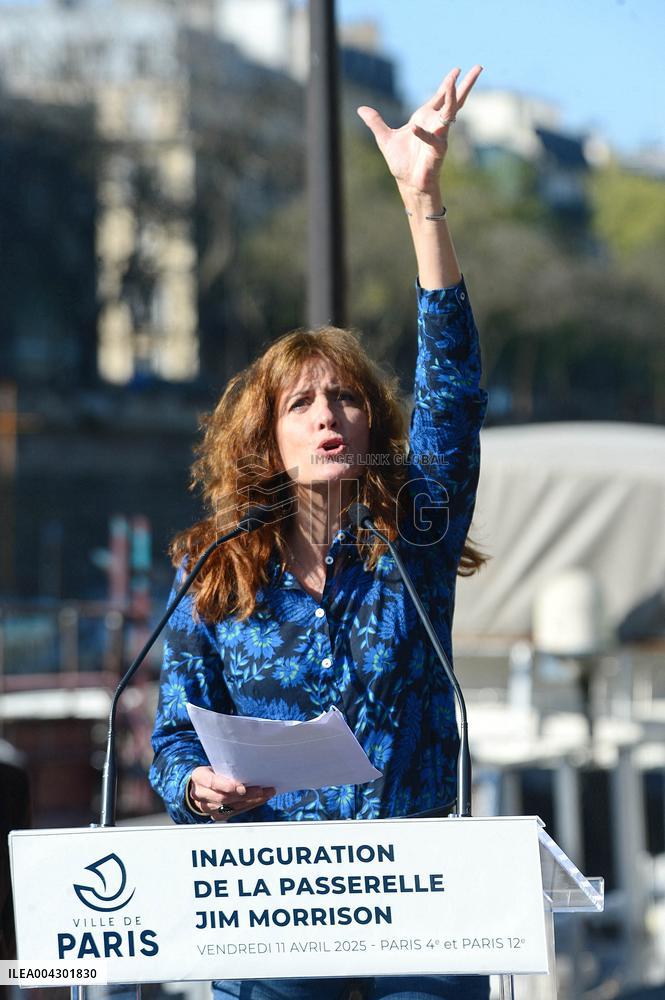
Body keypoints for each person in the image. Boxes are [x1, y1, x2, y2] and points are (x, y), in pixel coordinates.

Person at [150, 66, 489, 1000]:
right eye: (301, 404)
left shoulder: (412, 534)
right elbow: (172, 738)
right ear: (267, 436)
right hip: (275, 901)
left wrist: (423, 205)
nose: (328, 414)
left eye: (345, 398)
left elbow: (454, 395)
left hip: (418, 890)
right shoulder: (212, 565)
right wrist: (199, 792)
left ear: (372, 422)